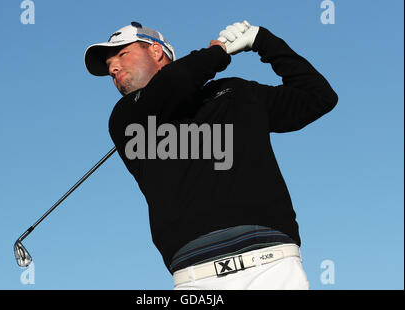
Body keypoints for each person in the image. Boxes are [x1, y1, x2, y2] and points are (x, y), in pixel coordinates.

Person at [84, 20, 338, 290]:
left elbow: (318, 96)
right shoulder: (126, 117)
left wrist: (263, 41)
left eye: (122, 54)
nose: (113, 67)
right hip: (195, 278)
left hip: (272, 262)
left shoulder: (235, 93)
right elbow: (173, 83)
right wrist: (218, 53)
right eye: (110, 63)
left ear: (157, 52)